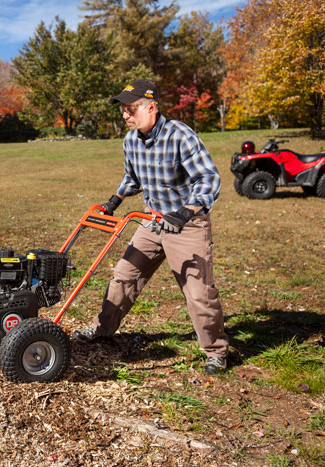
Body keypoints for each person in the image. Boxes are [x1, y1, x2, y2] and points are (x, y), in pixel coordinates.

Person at [72, 79, 229, 375]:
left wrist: (185, 212)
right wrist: (113, 201)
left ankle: (216, 350)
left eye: (130, 109)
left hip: (187, 224)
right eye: (123, 110)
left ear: (151, 107)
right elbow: (131, 179)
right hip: (151, 221)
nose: (125, 115)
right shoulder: (131, 140)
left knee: (198, 292)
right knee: (124, 275)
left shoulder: (180, 136)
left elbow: (209, 180)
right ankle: (102, 329)